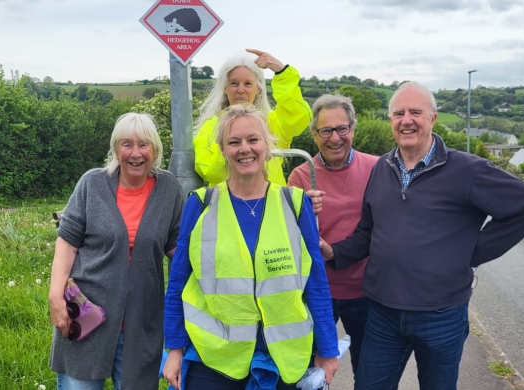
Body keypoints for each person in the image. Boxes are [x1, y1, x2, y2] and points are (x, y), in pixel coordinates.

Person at [319, 82, 524, 390]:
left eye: (415, 112)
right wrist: (332, 252)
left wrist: (470, 252)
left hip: (440, 315)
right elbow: (369, 233)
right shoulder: (381, 169)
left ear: (433, 118)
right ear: (391, 121)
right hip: (383, 313)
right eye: (398, 113)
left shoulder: (467, 170)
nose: (406, 120)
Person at [163, 104, 339, 390]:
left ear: (267, 146)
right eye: (234, 142)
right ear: (222, 150)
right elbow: (178, 283)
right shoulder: (200, 204)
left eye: (253, 139)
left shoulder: (295, 203)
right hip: (215, 360)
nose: (244, 149)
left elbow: (316, 283)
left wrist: (327, 350)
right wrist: (174, 349)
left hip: (284, 359)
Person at [48, 113, 183, 390]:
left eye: (143, 144)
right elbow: (68, 241)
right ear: (115, 149)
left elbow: (176, 248)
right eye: (126, 144)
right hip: (86, 314)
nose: (135, 153)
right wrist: (55, 296)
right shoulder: (92, 183)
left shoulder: (168, 188)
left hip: (142, 321)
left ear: (155, 149)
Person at [287, 94, 378, 376]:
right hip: (317, 292)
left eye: (342, 129)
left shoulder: (377, 168)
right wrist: (300, 209)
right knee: (311, 372)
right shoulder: (301, 177)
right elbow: (291, 237)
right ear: (314, 135)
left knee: (370, 373)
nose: (335, 138)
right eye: (325, 130)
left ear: (352, 129)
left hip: (368, 290)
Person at [193, 48, 312, 187]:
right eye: (234, 83)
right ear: (225, 88)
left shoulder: (272, 123)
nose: (241, 89)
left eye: (248, 83)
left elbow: (299, 115)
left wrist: (282, 72)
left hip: (274, 205)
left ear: (259, 89)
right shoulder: (209, 127)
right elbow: (210, 172)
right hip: (226, 206)